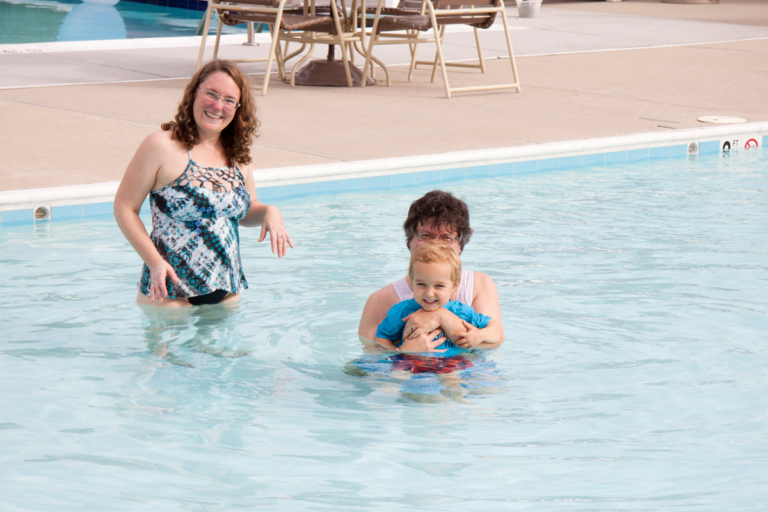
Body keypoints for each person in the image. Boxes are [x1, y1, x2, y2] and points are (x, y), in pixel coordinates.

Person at [114, 59, 293, 307]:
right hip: (170, 294)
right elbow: (124, 207)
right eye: (211, 94)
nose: (218, 105)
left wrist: (268, 212)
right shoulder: (161, 146)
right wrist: (154, 262)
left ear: (238, 108)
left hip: (226, 293)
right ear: (194, 93)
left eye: (229, 100)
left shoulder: (238, 155)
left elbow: (244, 212)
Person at [359, 190, 504, 351]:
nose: (435, 244)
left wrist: (441, 317)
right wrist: (405, 353)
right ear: (410, 240)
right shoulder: (382, 300)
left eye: (447, 237)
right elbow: (372, 357)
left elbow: (494, 342)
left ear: (460, 244)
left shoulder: (479, 285)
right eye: (426, 235)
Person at [375, 240, 502, 351]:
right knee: (398, 374)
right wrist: (400, 351)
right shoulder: (401, 311)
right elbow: (381, 338)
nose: (429, 293)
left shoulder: (461, 311)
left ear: (454, 285)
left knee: (452, 377)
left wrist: (480, 335)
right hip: (411, 362)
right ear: (411, 281)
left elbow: (496, 330)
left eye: (439, 286)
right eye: (421, 284)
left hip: (451, 365)